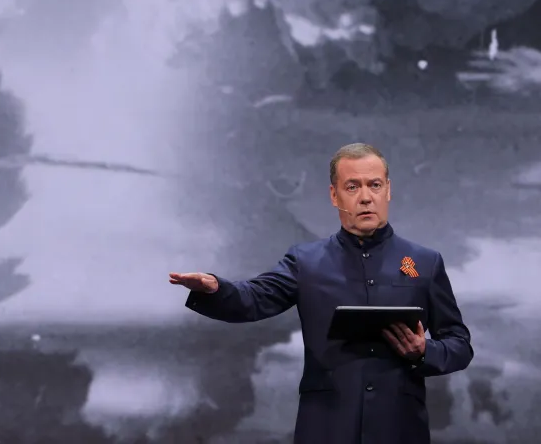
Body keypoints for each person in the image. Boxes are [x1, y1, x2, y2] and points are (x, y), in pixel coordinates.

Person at [169, 142, 473, 444]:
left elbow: (459, 343)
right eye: (352, 187)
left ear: (388, 190)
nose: (366, 197)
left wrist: (424, 351)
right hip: (327, 428)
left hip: (399, 429)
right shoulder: (306, 262)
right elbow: (254, 298)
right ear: (334, 195)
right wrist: (215, 288)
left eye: (375, 185)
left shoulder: (424, 262)